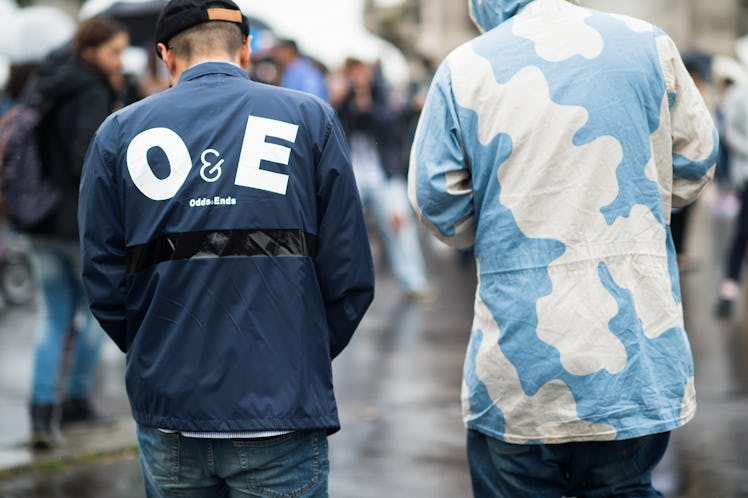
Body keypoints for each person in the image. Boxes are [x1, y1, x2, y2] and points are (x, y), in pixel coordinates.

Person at [408, 0, 717, 496]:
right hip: (634, 351)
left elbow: (436, 200)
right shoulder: (649, 44)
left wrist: (496, 232)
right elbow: (697, 160)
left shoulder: (464, 67)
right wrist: (641, 209)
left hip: (520, 362)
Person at [78, 0, 374, 496]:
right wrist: (297, 353)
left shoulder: (118, 133)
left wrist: (156, 350)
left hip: (170, 408)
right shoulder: (310, 117)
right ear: (247, 50)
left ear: (164, 56)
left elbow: (103, 276)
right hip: (280, 408)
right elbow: (348, 272)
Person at [24, 16, 129, 449]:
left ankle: (42, 410)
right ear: (90, 51)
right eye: (114, 52)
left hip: (37, 217)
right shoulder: (89, 88)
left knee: (52, 318)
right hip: (74, 223)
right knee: (93, 317)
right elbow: (85, 157)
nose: (120, 60)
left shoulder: (47, 80)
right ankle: (76, 402)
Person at [332, 57, 432, 301]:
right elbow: (335, 123)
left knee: (400, 227)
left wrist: (366, 102)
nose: (358, 80)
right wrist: (344, 98)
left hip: (384, 175)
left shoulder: (383, 97)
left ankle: (414, 283)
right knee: (338, 229)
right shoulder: (343, 103)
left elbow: (389, 125)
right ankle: (336, 286)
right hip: (353, 174)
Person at [715, 78, 748, 317]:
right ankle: (728, 290)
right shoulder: (739, 94)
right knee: (743, 233)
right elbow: (728, 131)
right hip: (746, 175)